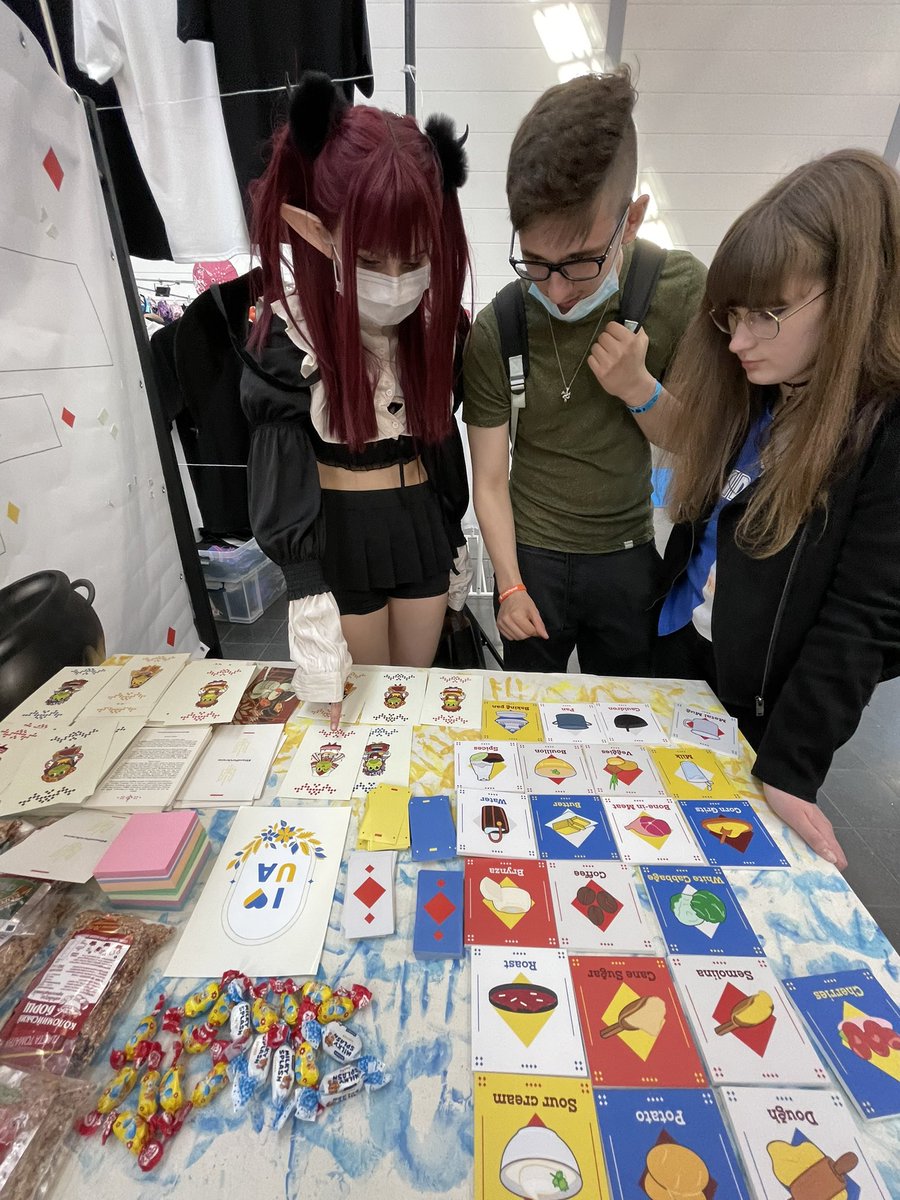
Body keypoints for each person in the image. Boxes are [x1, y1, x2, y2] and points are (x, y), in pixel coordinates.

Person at [656, 148, 900, 870]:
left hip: (761, 702)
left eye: (768, 314)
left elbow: (863, 615)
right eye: (733, 314)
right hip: (689, 650)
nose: (738, 340)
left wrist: (792, 765)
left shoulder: (881, 428)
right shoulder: (762, 386)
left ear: (854, 291)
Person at [240, 73, 472, 727]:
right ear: (317, 233)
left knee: (413, 696)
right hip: (343, 529)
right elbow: (282, 469)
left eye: (415, 259)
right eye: (371, 258)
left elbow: (439, 441)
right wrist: (305, 590)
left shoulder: (437, 327)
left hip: (420, 521)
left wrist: (452, 532)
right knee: (364, 711)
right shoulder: (291, 335)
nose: (397, 282)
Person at [463, 68, 706, 677]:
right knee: (525, 710)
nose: (557, 289)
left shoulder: (676, 292)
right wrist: (509, 585)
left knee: (630, 713)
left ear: (632, 219)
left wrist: (640, 390)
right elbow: (489, 478)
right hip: (531, 559)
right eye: (535, 262)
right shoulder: (498, 327)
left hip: (627, 555)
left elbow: (699, 440)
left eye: (580, 262)